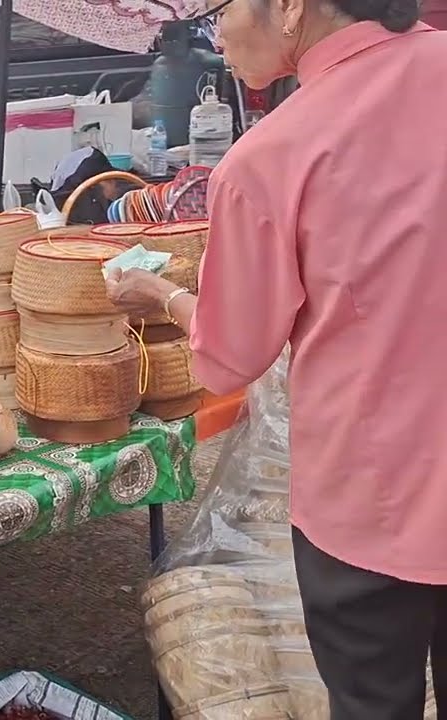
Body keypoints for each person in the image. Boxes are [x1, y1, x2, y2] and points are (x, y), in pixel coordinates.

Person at [104, 1, 447, 717]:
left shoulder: (271, 158)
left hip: (373, 503)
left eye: (219, 9)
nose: (214, 34)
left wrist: (163, 296)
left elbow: (230, 361)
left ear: (289, 8)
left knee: (373, 702)